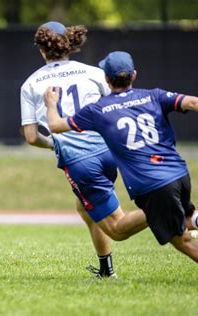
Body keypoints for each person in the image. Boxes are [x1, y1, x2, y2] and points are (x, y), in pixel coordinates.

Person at [44, 51, 198, 285]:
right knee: (176, 217)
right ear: (134, 75)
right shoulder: (154, 96)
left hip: (152, 185)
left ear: (107, 80)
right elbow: (193, 102)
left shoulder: (98, 110)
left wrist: (51, 104)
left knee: (183, 243)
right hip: (179, 174)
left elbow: (55, 126)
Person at [21, 21, 152, 278]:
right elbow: (117, 105)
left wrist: (52, 145)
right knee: (84, 208)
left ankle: (172, 212)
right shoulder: (92, 72)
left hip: (81, 159)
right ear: (68, 42)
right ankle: (105, 268)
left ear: (40, 48)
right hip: (110, 151)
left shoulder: (31, 83)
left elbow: (31, 137)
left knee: (117, 225)